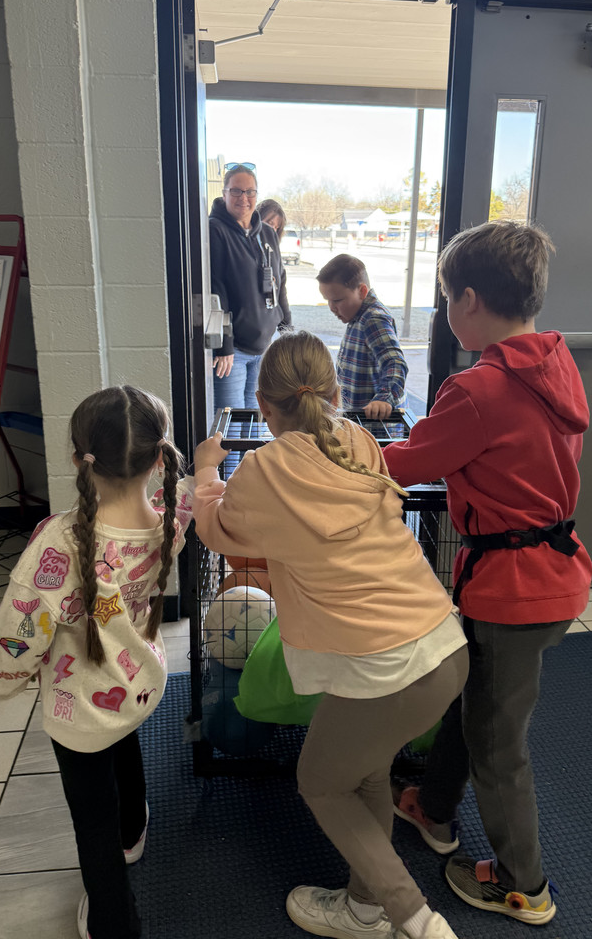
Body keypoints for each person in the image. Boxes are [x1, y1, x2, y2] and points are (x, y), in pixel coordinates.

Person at [193, 330, 468, 939]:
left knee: (320, 782)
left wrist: (205, 469)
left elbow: (215, 529)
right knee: (364, 771)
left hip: (384, 668)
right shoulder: (361, 441)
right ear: (336, 394)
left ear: (263, 406)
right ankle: (365, 907)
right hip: (444, 647)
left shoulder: (262, 471)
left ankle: (413, 918)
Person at [383, 221, 592, 926]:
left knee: (500, 744)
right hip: (547, 570)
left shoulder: (478, 389)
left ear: (469, 300)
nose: (446, 311)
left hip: (513, 588)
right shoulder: (555, 363)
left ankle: (522, 885)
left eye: (446, 298)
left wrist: (332, 449)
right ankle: (435, 807)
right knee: (469, 695)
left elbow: (406, 462)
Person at [0, 385, 194, 939]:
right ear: (159, 458)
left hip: (78, 704)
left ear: (79, 459)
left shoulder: (60, 540)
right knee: (122, 739)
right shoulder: (169, 520)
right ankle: (133, 832)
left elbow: (20, 627)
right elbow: (192, 499)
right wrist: (209, 467)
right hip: (137, 679)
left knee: (90, 820)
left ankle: (113, 923)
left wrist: (1, 681)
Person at [210, 164, 291, 410]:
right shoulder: (215, 230)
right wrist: (224, 345)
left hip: (265, 346)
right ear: (224, 193)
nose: (243, 198)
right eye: (236, 191)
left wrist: (287, 330)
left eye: (250, 192)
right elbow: (216, 290)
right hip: (232, 352)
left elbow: (280, 280)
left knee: (258, 419)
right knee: (232, 423)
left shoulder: (267, 233)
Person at [317, 253, 408, 420]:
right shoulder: (356, 316)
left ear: (362, 291)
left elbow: (395, 363)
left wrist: (384, 399)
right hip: (357, 419)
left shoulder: (373, 319)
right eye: (327, 300)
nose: (331, 307)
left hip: (374, 423)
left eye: (337, 300)